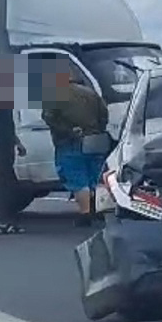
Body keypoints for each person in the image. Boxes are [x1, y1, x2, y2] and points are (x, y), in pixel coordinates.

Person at [40, 59, 111, 228]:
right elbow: (104, 114)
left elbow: (49, 118)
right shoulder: (90, 93)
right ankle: (100, 210)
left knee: (77, 178)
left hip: (70, 142)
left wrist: (69, 131)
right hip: (95, 140)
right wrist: (97, 129)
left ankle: (85, 213)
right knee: (96, 176)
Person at [0, 54, 27, 235]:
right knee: (4, 182)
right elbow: (1, 125)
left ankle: (5, 220)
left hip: (3, 140)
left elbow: (8, 125)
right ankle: (2, 221)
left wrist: (17, 142)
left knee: (7, 182)